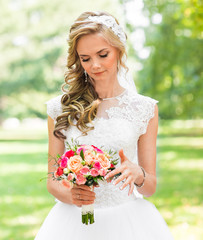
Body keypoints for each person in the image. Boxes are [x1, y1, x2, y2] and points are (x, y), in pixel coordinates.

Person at [35, 11, 174, 240]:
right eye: (85, 58)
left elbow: (149, 187)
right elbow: (52, 181)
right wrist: (72, 195)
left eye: (103, 54)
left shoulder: (145, 109)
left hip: (127, 221)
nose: (95, 65)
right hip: (73, 223)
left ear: (118, 50)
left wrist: (138, 173)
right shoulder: (60, 109)